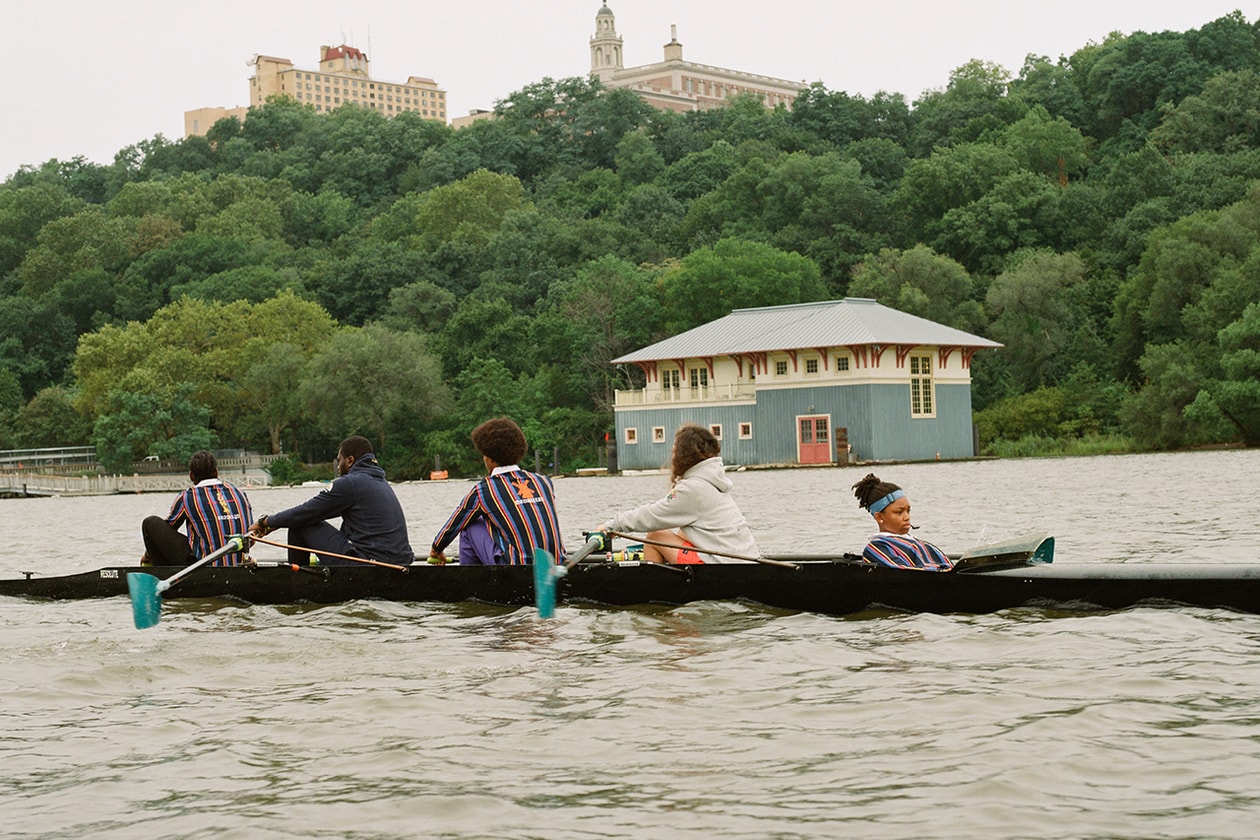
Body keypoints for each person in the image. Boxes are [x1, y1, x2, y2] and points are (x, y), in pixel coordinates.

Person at [598, 424, 758, 564]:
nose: (672, 457)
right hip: (745, 559)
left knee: (655, 535)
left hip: (722, 566)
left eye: (674, 451)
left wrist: (611, 527)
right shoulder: (713, 480)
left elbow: (651, 516)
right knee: (683, 532)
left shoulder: (693, 489)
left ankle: (653, 590)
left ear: (684, 456)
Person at [250, 436, 413, 566]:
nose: (338, 466)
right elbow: (318, 512)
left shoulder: (350, 483)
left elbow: (308, 512)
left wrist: (265, 521)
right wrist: (275, 524)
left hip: (370, 565)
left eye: (339, 460)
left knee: (299, 525)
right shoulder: (380, 482)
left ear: (350, 460)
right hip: (400, 564)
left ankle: (298, 584)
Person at [429, 418, 564, 565]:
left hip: (515, 569)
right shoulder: (544, 482)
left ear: (489, 459)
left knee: (469, 523)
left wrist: (436, 550)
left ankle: (471, 582)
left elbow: (453, 525)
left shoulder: (483, 490)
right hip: (554, 564)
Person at [141, 450, 253, 566]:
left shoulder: (187, 497)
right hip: (240, 563)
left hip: (204, 567)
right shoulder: (239, 493)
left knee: (150, 524)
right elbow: (251, 537)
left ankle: (161, 573)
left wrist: (148, 555)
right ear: (216, 472)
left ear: (191, 476)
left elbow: (165, 533)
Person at [851, 473, 953, 571]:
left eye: (908, 511)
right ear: (879, 517)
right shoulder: (877, 548)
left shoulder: (916, 542)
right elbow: (904, 574)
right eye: (899, 512)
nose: (906, 517)